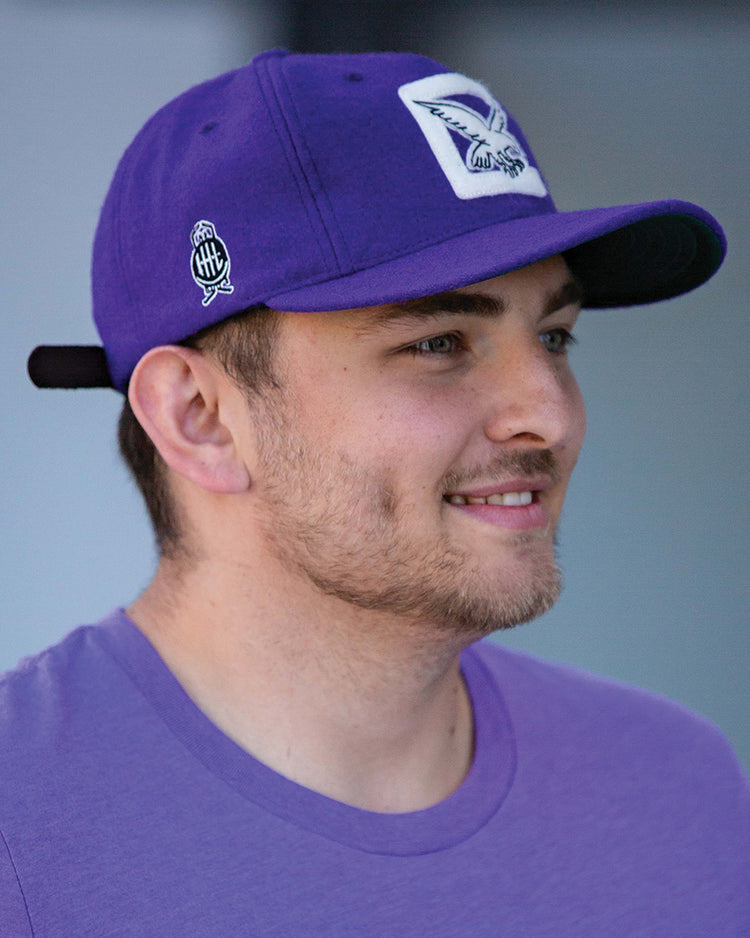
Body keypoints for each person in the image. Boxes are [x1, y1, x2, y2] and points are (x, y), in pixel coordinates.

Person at [7, 48, 749, 935]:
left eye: (554, 337)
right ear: (200, 415)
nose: (548, 416)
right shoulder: (23, 829)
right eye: (438, 343)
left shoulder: (678, 790)